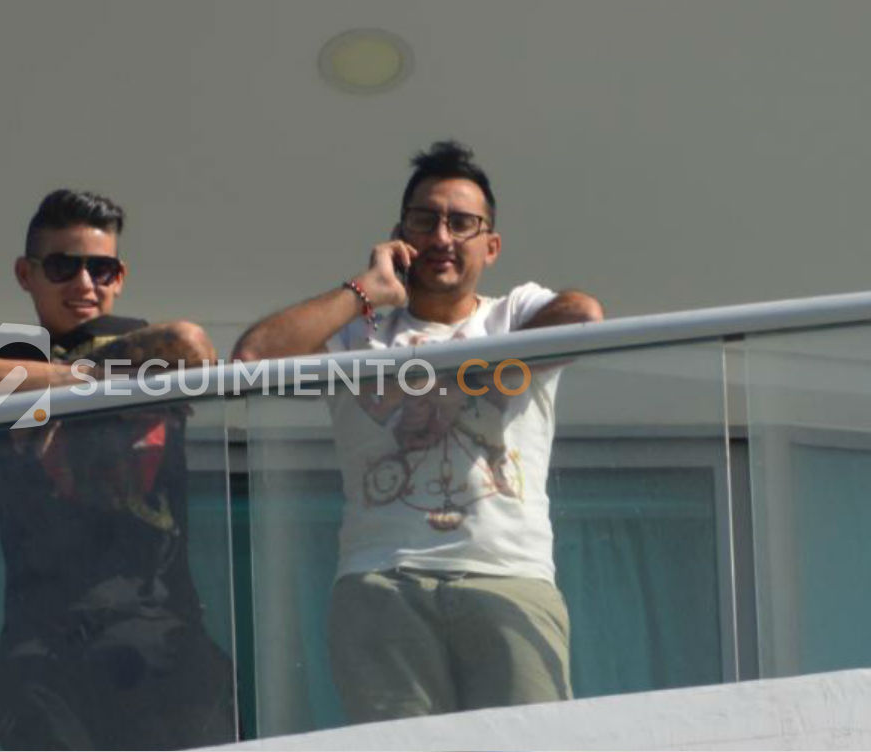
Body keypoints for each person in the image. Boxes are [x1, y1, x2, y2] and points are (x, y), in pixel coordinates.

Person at [232, 141, 603, 722]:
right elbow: (252, 358)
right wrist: (366, 291)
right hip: (383, 580)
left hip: (508, 574)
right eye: (424, 220)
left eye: (462, 223)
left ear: (491, 245)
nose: (441, 237)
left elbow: (583, 316)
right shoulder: (361, 335)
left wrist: (460, 379)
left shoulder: (513, 314)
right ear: (399, 235)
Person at [0, 189, 235, 750]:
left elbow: (191, 345)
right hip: (44, 644)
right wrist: (81, 381)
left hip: (159, 635)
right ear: (25, 274)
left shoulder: (143, 341)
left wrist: (82, 377)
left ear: (120, 277)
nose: (84, 283)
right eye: (62, 266)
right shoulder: (13, 350)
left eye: (102, 269)